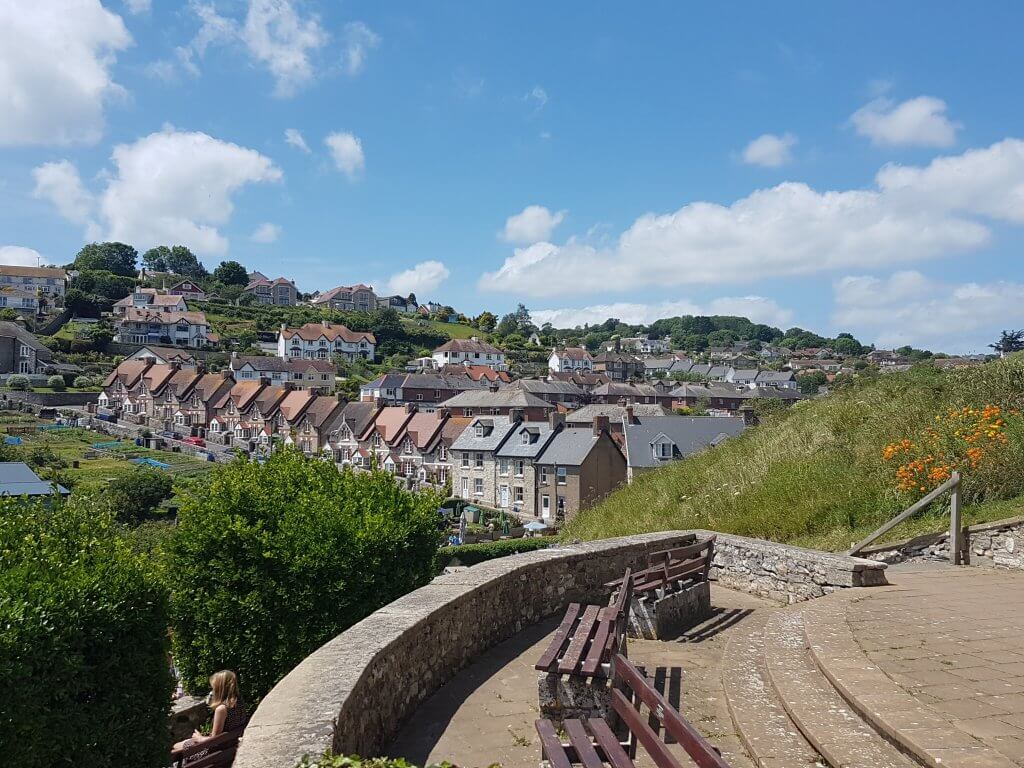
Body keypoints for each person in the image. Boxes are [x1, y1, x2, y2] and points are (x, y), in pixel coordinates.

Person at [173, 670, 247, 759]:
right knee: (182, 744)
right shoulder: (239, 702)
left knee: (175, 748)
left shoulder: (222, 709)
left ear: (220, 688)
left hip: (214, 753)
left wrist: (199, 738)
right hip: (229, 746)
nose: (212, 691)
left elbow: (214, 741)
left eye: (213, 688)